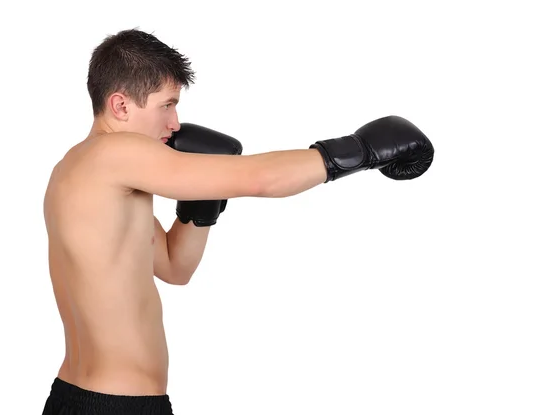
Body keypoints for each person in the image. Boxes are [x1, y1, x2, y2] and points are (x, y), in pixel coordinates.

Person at [41, 28, 434, 415]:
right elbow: (260, 179)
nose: (175, 123)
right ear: (121, 105)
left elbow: (175, 267)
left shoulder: (77, 169)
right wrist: (360, 150)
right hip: (119, 407)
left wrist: (202, 202)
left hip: (75, 397)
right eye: (167, 105)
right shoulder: (117, 153)